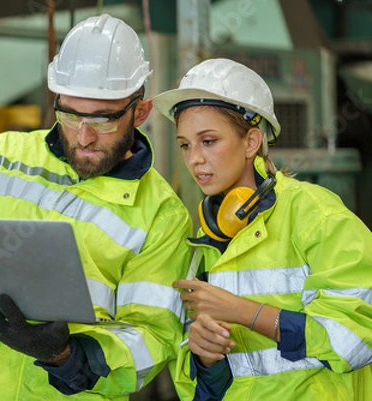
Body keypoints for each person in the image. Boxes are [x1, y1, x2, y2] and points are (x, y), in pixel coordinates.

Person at [0, 14, 192, 401]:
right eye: (70, 116)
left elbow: (154, 337)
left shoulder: (162, 215)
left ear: (140, 113)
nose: (84, 137)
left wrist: (66, 357)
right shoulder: (2, 157)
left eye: (103, 120)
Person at [152, 58, 372, 400]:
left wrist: (245, 312)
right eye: (185, 144)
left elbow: (357, 341)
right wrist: (206, 359)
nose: (194, 158)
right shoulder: (204, 242)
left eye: (208, 141)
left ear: (252, 141)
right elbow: (200, 390)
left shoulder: (316, 215)